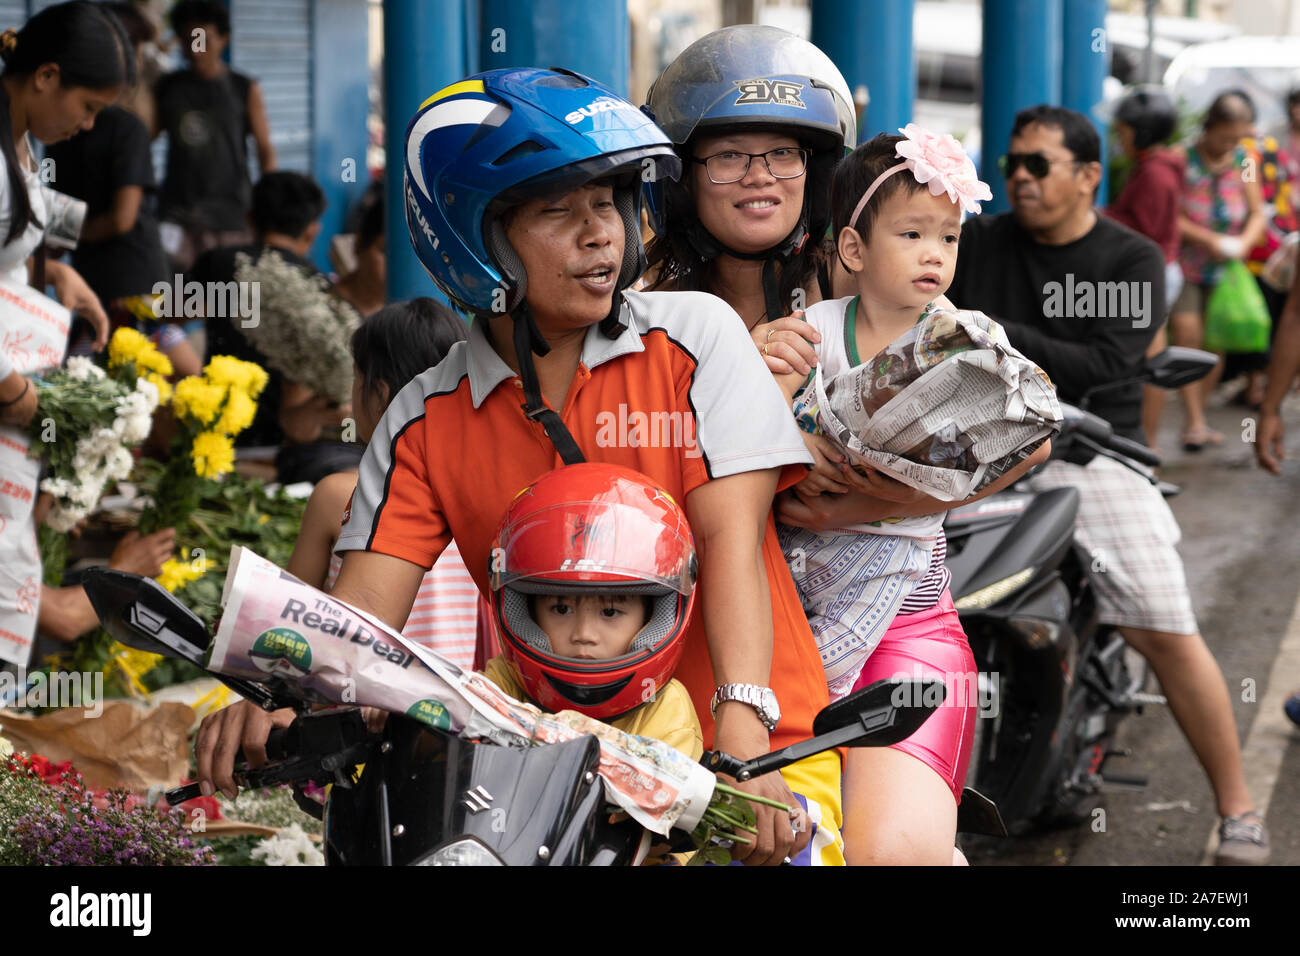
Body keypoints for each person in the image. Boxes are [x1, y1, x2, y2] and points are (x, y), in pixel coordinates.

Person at [196, 67, 842, 866]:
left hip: (753, 760)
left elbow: (733, 548)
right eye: (558, 211)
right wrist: (276, 697)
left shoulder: (695, 340)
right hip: (542, 787)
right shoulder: (425, 420)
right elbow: (358, 627)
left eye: (607, 203)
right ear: (474, 235)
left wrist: (745, 750)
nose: (601, 233)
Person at [641, 26, 1042, 866]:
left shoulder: (868, 278)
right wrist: (746, 411)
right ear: (683, 174)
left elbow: (1021, 444)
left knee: (895, 853)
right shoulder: (646, 310)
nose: (760, 176)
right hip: (697, 633)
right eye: (730, 156)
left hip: (895, 618)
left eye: (782, 154)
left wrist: (878, 495)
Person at [948, 103, 1270, 865]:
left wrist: (981, 328)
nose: (1019, 178)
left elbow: (1106, 367)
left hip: (1090, 455)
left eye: (1038, 165)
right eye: (1012, 165)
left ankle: (1238, 809)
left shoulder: (1128, 259)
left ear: (1090, 175)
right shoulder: (974, 241)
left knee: (1160, 621)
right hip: (971, 451)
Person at [0, 1, 128, 669]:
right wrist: (16, 392)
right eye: (87, 104)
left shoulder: (22, 140)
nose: (88, 124)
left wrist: (57, 272)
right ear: (45, 75)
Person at [288, 297, 478, 669]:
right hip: (467, 706)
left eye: (356, 379)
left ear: (381, 395)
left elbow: (294, 623)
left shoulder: (338, 494)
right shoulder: (481, 489)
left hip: (363, 708)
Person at [485, 463, 702, 762]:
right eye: (561, 609)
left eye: (610, 612)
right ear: (528, 614)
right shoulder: (504, 683)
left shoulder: (666, 708)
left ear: (652, 617)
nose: (583, 634)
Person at [44, 2, 199, 379]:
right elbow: (121, 218)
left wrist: (54, 251)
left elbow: (101, 224)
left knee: (126, 380)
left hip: (115, 283)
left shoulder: (56, 130)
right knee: (161, 381)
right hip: (129, 282)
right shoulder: (123, 128)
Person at [189, 171, 361, 483]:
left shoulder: (217, 264)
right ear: (312, 231)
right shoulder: (319, 287)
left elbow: (168, 312)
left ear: (250, 220)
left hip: (216, 440)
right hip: (284, 448)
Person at [1173, 90, 1267, 450]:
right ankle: (1194, 421)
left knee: (1216, 342)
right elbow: (1171, 214)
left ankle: (1198, 417)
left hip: (1228, 269)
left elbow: (1257, 210)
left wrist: (1244, 243)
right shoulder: (1183, 159)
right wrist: (1206, 238)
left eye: (1237, 137)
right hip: (1187, 264)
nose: (1230, 144)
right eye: (1226, 136)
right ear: (1210, 127)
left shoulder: (1245, 160)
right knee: (1187, 332)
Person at [153, 0, 275, 274]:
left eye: (204, 39)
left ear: (224, 39)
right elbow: (144, 135)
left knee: (230, 303)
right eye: (188, 40)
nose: (196, 50)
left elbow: (265, 150)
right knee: (171, 301)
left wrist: (269, 206)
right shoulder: (167, 87)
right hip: (178, 214)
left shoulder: (243, 88)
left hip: (231, 215)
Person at [1108, 86, 1184, 451]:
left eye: (1123, 131)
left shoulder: (1154, 174)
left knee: (1153, 359)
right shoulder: (1155, 166)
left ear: (1142, 131)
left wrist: (1101, 220)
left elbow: (1145, 233)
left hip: (1154, 273)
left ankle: (1148, 444)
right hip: (1162, 270)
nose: (1119, 138)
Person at [330, 179, 385, 319]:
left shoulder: (402, 322)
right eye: (386, 253)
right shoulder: (321, 310)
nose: (398, 269)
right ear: (358, 244)